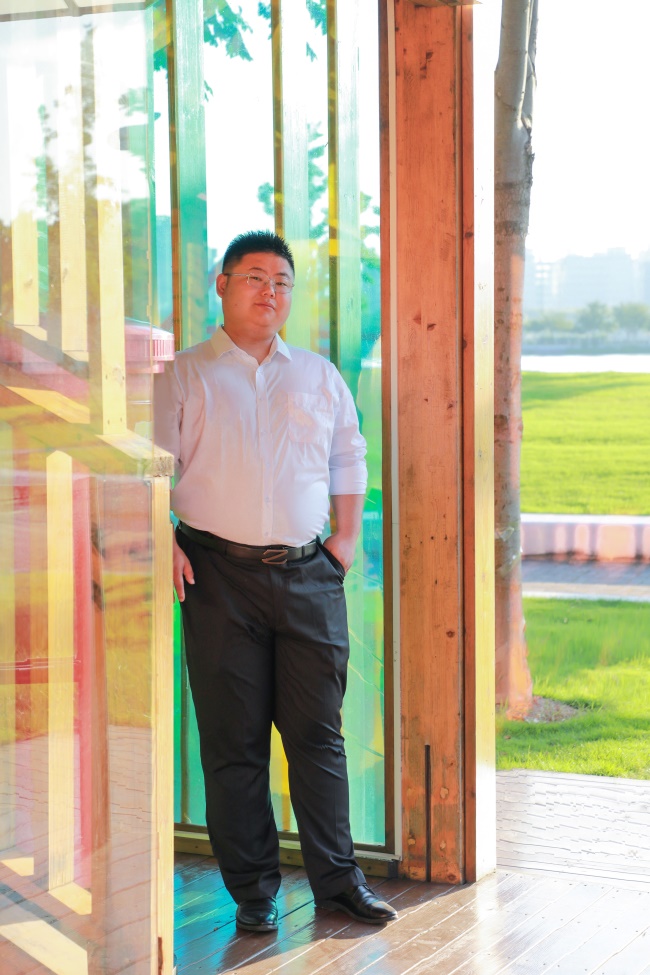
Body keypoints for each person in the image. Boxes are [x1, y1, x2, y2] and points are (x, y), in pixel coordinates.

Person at [154, 230, 397, 932]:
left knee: (318, 737)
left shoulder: (318, 375)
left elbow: (349, 456)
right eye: (255, 277)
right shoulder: (183, 374)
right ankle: (253, 891)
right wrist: (163, 540)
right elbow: (151, 466)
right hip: (216, 575)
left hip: (308, 576)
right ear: (223, 285)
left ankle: (339, 882)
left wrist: (343, 541)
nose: (270, 291)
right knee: (233, 743)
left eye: (282, 281)